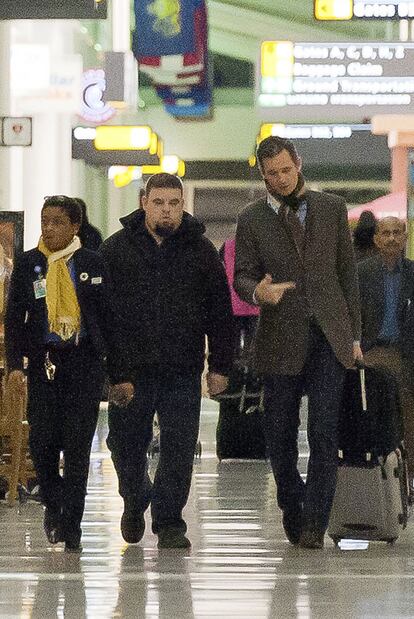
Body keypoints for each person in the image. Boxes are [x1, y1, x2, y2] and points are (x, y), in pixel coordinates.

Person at [234, 136, 362, 549]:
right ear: (262, 174)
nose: (281, 179)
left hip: (330, 334)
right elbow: (242, 276)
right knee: (279, 433)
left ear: (299, 164)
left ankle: (314, 522)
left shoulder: (332, 208)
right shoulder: (251, 218)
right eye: (272, 173)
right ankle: (292, 500)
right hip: (279, 335)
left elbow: (348, 276)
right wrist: (258, 293)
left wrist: (355, 336)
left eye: (287, 170)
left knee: (325, 431)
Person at [100, 173, 233, 549]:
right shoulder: (117, 250)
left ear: (183, 205)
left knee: (179, 446)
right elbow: (105, 317)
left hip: (181, 368)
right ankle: (134, 496)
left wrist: (220, 366)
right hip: (131, 372)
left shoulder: (201, 251)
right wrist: (113, 372)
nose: (167, 211)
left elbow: (219, 312)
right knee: (124, 443)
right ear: (144, 202)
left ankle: (170, 521)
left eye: (174, 203)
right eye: (159, 203)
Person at [5, 195, 117, 552]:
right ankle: (53, 504)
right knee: (43, 443)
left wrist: (117, 369)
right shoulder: (29, 264)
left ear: (74, 226)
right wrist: (14, 366)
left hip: (83, 363)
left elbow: (108, 319)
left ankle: (73, 525)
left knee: (77, 446)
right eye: (45, 221)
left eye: (57, 222)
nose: (49, 228)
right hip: (44, 364)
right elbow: (15, 317)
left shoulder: (92, 263)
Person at [358, 216, 414, 496]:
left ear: (405, 238)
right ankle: (371, 479)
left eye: (397, 233)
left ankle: (408, 484)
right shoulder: (362, 273)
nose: (391, 238)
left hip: (404, 356)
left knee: (408, 420)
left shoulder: (412, 274)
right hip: (372, 354)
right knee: (372, 417)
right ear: (377, 239)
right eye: (385, 233)